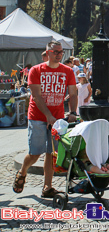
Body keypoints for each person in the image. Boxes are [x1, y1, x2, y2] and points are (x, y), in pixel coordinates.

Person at [13, 40, 77, 198]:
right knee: (35, 154)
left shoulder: (67, 71)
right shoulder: (36, 70)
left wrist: (73, 112)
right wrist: (48, 116)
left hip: (57, 118)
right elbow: (36, 96)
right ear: (47, 53)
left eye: (61, 52)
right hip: (38, 117)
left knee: (51, 153)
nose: (59, 55)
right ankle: (22, 171)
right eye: (56, 52)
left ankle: (47, 187)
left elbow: (73, 93)